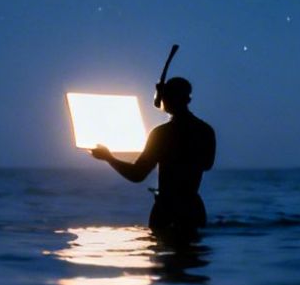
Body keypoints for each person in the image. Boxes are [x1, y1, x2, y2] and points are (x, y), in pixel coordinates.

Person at [88, 76, 215, 233]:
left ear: (164, 98)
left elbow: (137, 174)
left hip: (166, 210)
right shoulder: (205, 131)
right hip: (193, 209)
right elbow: (207, 165)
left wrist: (108, 157)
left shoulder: (161, 134)